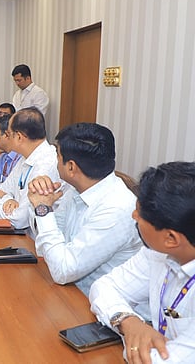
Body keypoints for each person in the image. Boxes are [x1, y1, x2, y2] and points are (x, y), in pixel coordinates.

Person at [90, 162, 195, 363]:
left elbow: (154, 360)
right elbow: (104, 287)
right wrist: (129, 322)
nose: (133, 216)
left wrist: (135, 343)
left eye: (140, 214)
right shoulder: (158, 252)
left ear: (171, 238)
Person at [27, 123, 141, 296]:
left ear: (71, 167)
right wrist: (42, 203)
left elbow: (63, 271)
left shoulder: (116, 208)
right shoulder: (79, 189)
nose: (55, 161)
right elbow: (47, 249)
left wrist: (43, 209)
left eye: (57, 155)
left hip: (98, 305)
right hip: (70, 294)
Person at [0, 107, 59, 229]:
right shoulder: (26, 157)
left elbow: (19, 220)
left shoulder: (45, 165)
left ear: (19, 137)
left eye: (9, 134)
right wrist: (8, 200)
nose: (7, 138)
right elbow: (2, 190)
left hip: (33, 237)